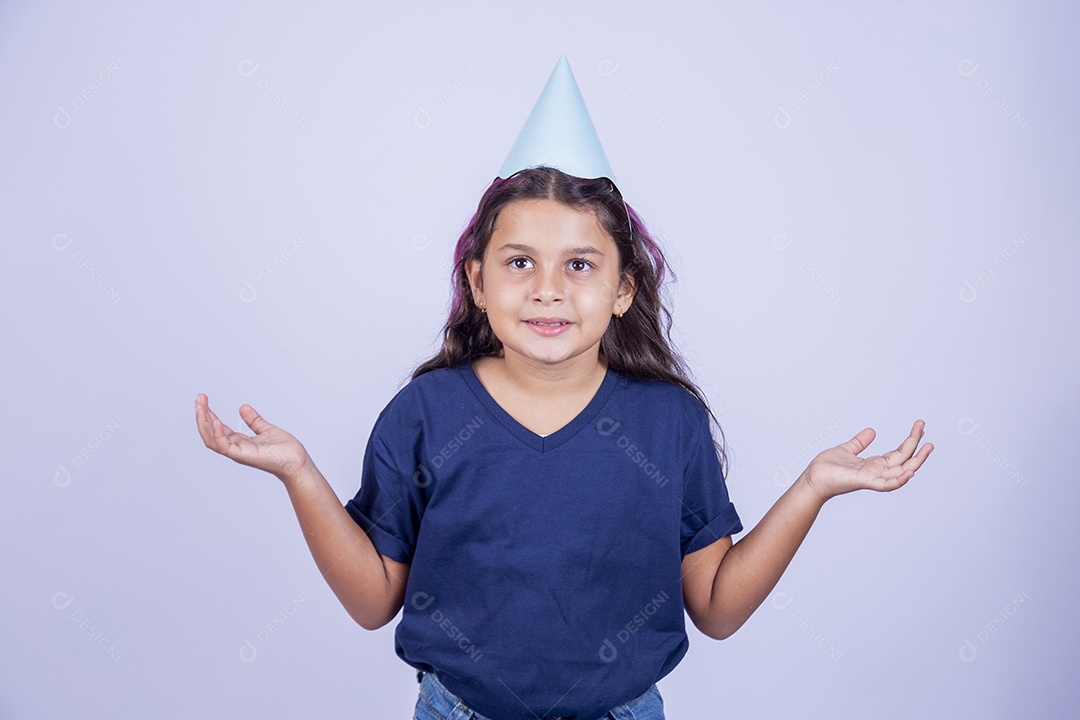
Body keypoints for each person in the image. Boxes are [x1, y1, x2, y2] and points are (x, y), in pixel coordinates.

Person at [195, 58, 932, 720]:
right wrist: (299, 473)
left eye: (580, 265)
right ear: (478, 282)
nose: (548, 290)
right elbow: (372, 600)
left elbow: (715, 607)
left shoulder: (666, 422)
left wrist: (811, 488)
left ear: (622, 289)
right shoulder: (425, 415)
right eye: (520, 263)